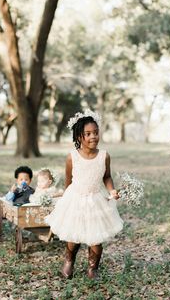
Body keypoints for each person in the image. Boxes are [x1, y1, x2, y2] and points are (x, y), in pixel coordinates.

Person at [45, 110, 123, 279]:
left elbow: (107, 176)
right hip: (75, 198)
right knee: (73, 235)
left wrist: (112, 190)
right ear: (79, 137)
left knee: (96, 238)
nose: (93, 136)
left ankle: (93, 268)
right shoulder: (72, 157)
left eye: (95, 132)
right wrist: (66, 200)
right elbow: (68, 180)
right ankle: (69, 261)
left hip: (96, 199)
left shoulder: (104, 156)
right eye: (88, 134)